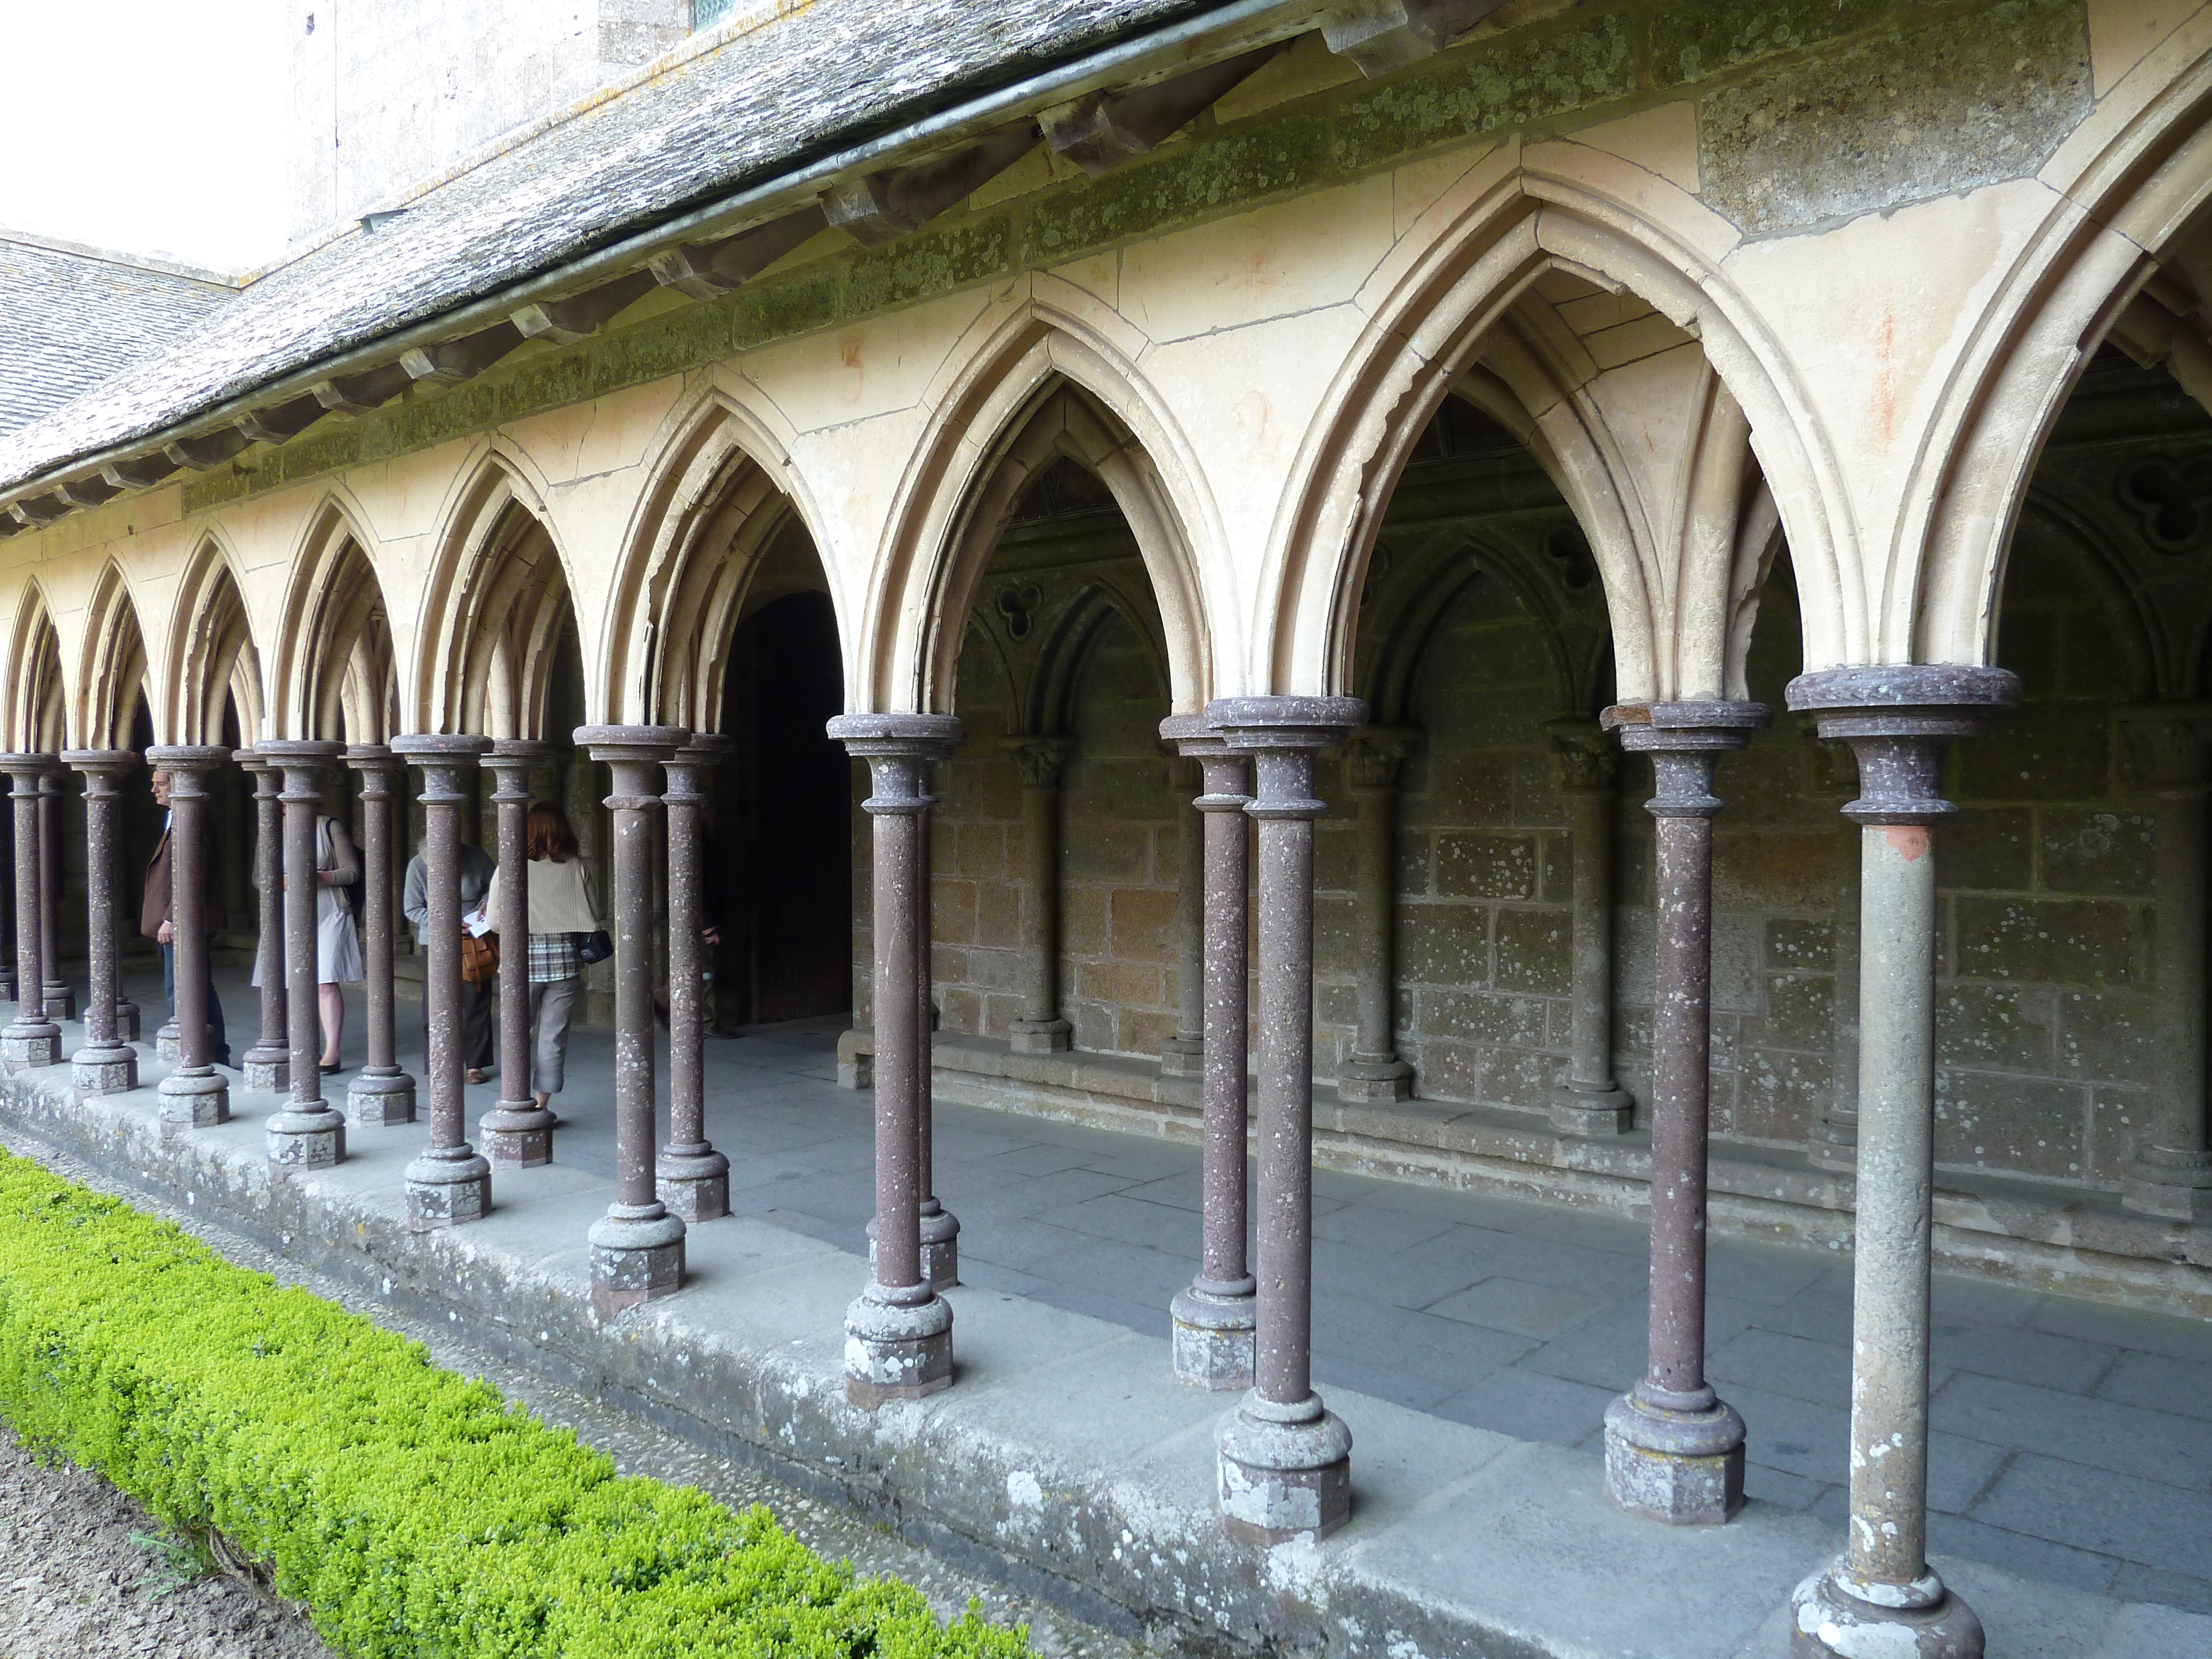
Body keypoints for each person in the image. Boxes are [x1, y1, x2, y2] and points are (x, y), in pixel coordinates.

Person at [482, 801, 598, 1115]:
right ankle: (542, 1102)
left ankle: (515, 1096)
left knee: (516, 1030)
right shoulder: (577, 866)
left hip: (522, 962)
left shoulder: (509, 867)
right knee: (553, 1036)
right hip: (564, 962)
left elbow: (494, 921)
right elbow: (594, 914)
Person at [252, 808, 364, 1072]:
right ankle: (300, 1043)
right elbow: (259, 878)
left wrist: (320, 877)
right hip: (288, 911)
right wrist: (288, 882)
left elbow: (352, 872)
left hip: (329, 909)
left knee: (326, 981)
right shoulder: (270, 828)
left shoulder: (329, 826)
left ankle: (332, 1051)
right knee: (293, 980)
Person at [140, 767, 229, 1066]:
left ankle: (205, 1050)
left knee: (182, 986)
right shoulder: (177, 817)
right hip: (179, 919)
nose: (155, 790)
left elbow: (193, 873)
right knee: (194, 983)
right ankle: (212, 1049)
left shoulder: (193, 819)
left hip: (182, 921)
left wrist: (172, 918)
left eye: (161, 784)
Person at [404, 834, 496, 1083]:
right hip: (436, 939)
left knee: (476, 999)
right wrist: (447, 924)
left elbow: (496, 884)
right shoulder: (418, 866)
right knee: (435, 1003)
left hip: (475, 937)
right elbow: (412, 908)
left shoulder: (477, 856)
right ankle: (438, 1062)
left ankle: (475, 1064)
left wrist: (487, 902)